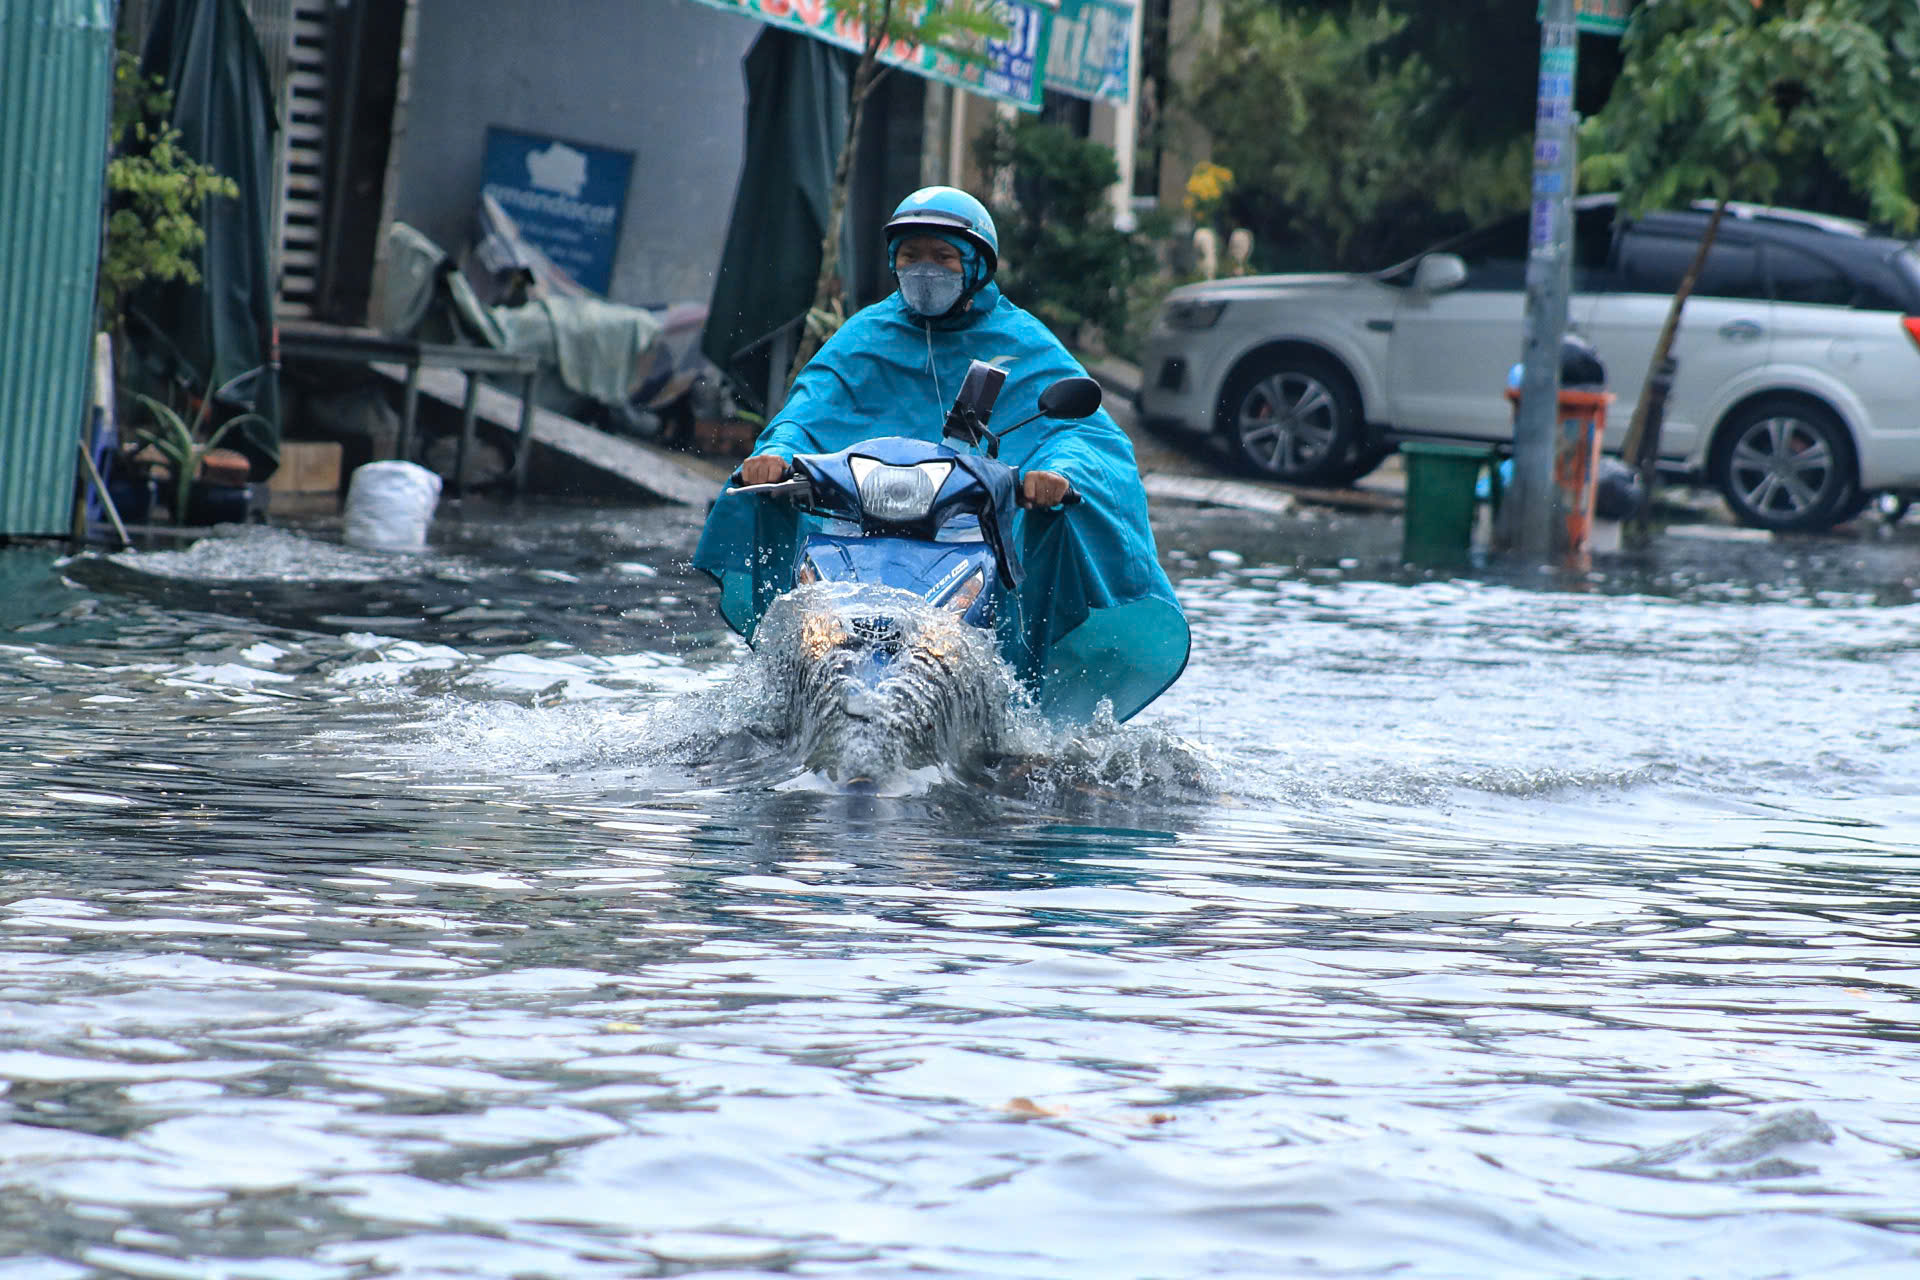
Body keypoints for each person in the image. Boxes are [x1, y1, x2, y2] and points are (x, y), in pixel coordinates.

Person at [694, 186, 1189, 723]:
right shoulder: (864, 337)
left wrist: (1057, 473)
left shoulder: (1021, 340)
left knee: (1049, 542)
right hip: (857, 526)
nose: (925, 269)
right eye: (911, 256)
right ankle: (786, 686)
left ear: (975, 265)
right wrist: (779, 451)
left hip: (974, 531)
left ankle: (1021, 711)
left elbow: (1086, 434)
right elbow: (808, 409)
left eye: (943, 257)